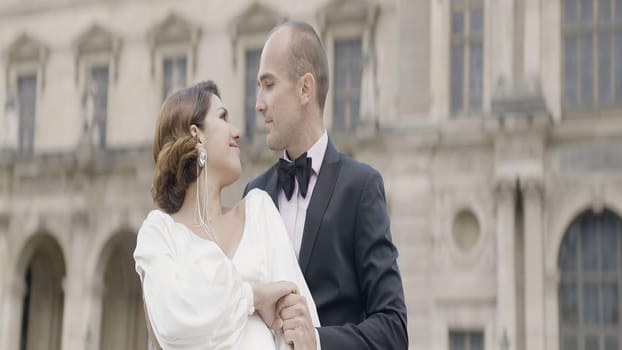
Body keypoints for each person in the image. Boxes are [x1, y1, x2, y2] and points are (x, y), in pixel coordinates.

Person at [244, 21, 408, 349]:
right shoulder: (254, 195)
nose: (259, 103)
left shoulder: (361, 188)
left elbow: (394, 328)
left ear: (306, 89)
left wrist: (317, 342)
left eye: (269, 84)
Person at [134, 80, 320, 350]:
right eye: (223, 117)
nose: (237, 132)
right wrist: (254, 296)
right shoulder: (159, 234)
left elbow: (298, 320)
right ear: (196, 135)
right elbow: (175, 323)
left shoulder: (259, 212)